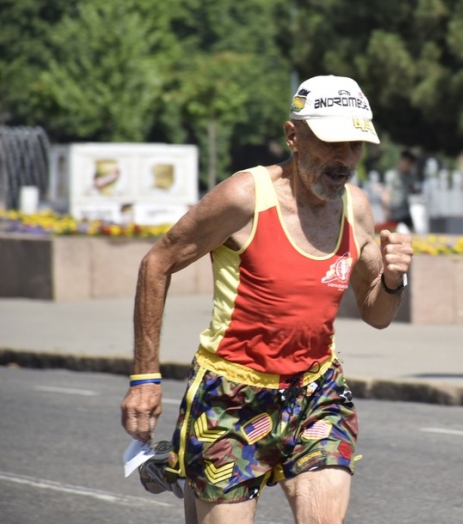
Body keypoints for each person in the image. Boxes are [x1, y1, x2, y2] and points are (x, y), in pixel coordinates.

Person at [120, 74, 413, 524]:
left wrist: (392, 280)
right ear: (293, 136)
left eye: (354, 145)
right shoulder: (244, 198)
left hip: (316, 392)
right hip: (231, 399)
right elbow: (157, 263)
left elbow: (376, 314)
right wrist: (144, 376)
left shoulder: (355, 208)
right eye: (330, 142)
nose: (343, 159)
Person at [384, 149, 418, 231]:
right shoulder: (392, 175)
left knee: (413, 233)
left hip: (405, 211)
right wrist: (387, 211)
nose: (406, 165)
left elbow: (414, 190)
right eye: (405, 162)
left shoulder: (410, 177)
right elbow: (386, 195)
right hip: (394, 212)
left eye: (409, 163)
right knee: (391, 236)